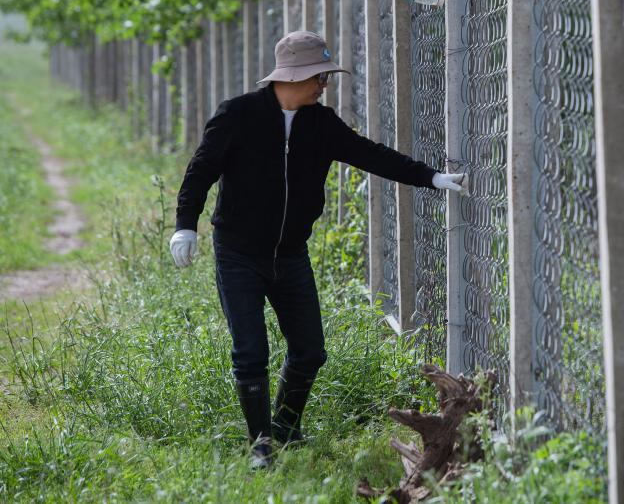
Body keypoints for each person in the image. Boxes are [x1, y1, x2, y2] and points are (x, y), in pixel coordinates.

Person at [167, 30, 465, 469]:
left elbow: (372, 155)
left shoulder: (321, 125)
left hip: (290, 255)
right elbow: (200, 171)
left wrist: (432, 178)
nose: (323, 85)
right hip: (238, 254)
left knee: (310, 351)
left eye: (325, 76)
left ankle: (285, 428)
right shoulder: (238, 115)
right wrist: (184, 226)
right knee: (250, 350)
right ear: (292, 76)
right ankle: (260, 447)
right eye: (318, 77)